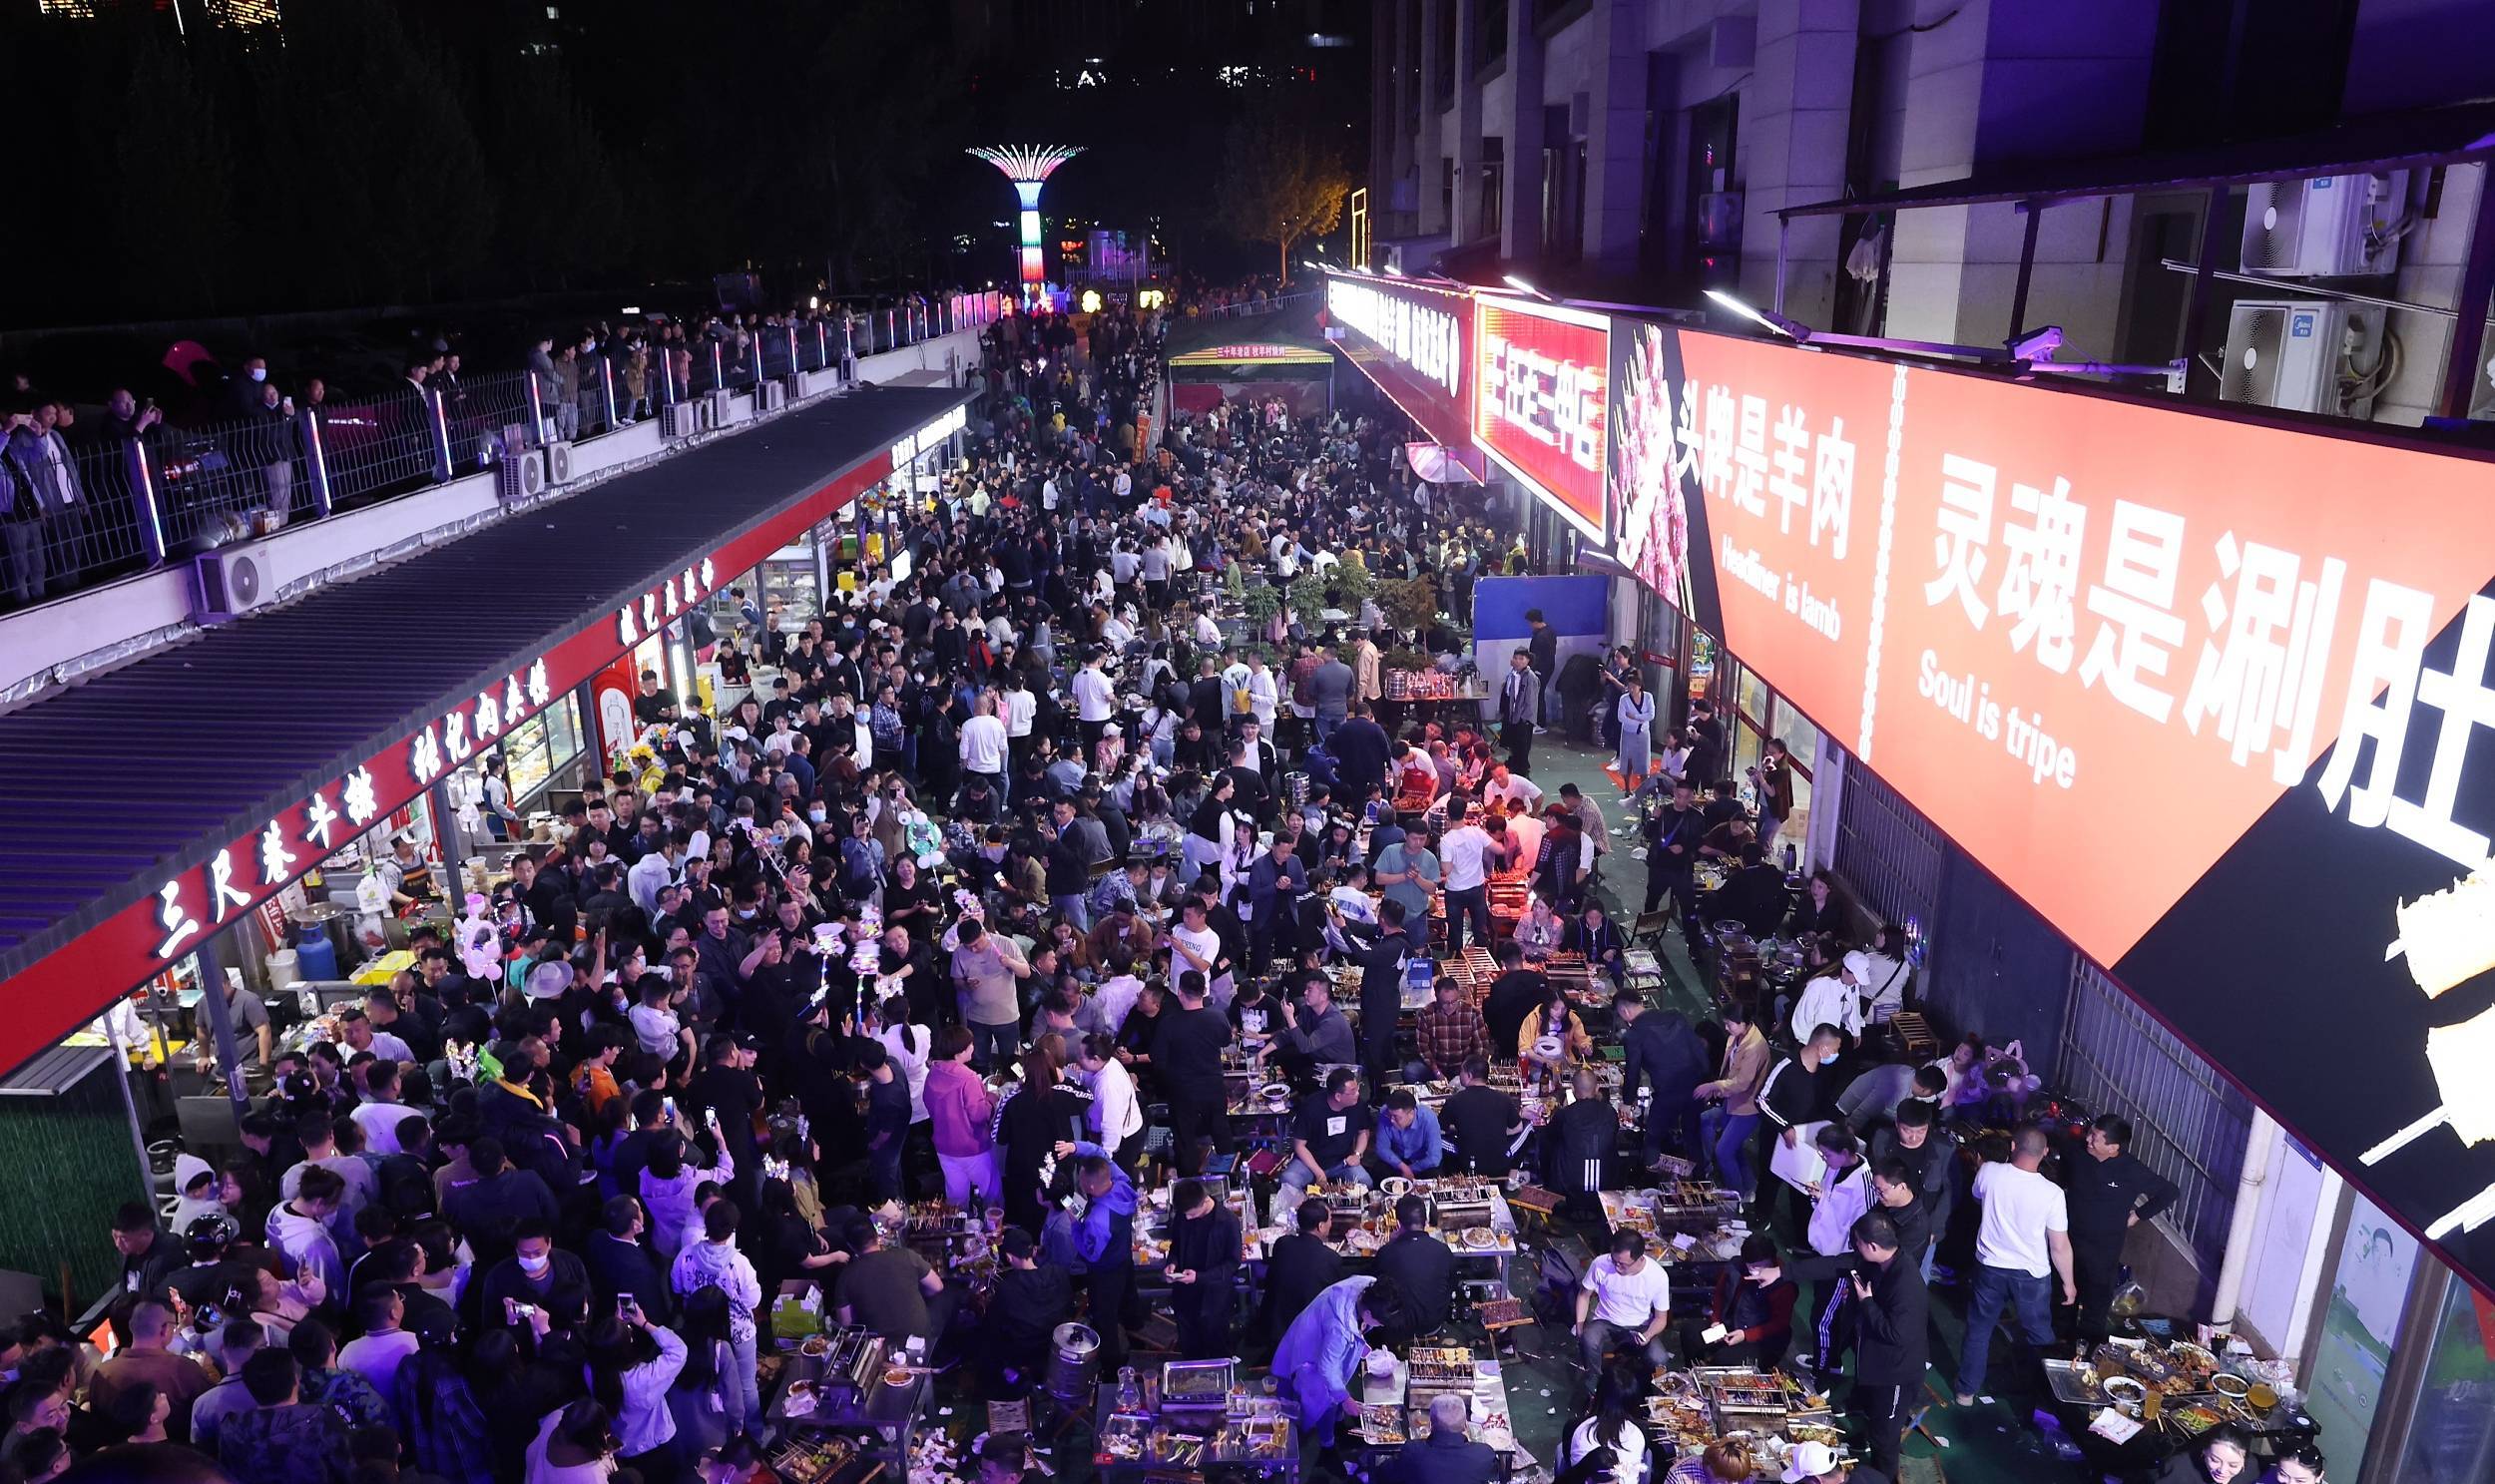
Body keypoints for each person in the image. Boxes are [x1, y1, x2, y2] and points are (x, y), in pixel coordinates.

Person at [1953, 1122, 2075, 1406]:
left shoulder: (1989, 1172)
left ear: (2012, 1146)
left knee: (1979, 1329)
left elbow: (1977, 1196)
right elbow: (2059, 1246)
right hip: (2032, 1275)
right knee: (2039, 1335)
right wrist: (2069, 1283)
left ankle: (1966, 1392)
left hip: (1990, 1267)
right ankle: (2040, 1397)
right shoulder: (2052, 1193)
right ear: (2045, 1152)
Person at [2065, 1113, 2178, 1343]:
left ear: (2113, 1147)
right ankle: (2059, 1341)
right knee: (2063, 1297)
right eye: (2090, 1133)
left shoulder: (2130, 1170)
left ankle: (2088, 1348)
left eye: (2095, 1137)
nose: (2088, 1140)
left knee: (2095, 1304)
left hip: (2103, 1251)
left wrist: (2138, 1215)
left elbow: (2169, 1192)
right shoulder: (2077, 1154)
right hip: (2069, 1242)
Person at [1270, 1274, 1407, 1448]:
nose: (1380, 1326)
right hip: (1310, 1353)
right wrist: (1345, 1399)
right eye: (1379, 1323)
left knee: (1335, 1389)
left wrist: (1359, 1343)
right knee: (1325, 1398)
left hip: (1319, 1331)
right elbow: (1327, 1368)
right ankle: (1327, 1445)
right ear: (1367, 1313)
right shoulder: (1339, 1329)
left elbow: (1354, 1330)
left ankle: (1338, 1426)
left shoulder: (1369, 1286)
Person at [1838, 1211, 1926, 1476]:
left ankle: (1883, 1478)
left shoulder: (1905, 1282)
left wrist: (1867, 1302)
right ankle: (1866, 1443)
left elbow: (1896, 1333)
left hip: (1897, 1375)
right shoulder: (1887, 1263)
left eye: (1858, 1242)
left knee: (1886, 1439)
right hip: (1880, 1366)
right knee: (1875, 1418)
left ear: (1873, 1246)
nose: (1856, 1246)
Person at [670, 1201, 764, 1437]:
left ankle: (718, 1431)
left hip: (699, 1333)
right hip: (738, 1333)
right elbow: (753, 1300)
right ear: (732, 1229)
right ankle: (756, 1435)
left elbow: (676, 1287)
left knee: (707, 1386)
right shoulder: (739, 1263)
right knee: (746, 1386)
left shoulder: (685, 1256)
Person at [1061, 1141, 1138, 1367]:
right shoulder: (1123, 1183)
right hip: (1124, 1257)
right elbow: (1101, 1153)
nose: (1080, 1183)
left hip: (1105, 1273)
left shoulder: (1098, 1220)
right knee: (1128, 1301)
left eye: (1082, 1180)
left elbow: (1090, 1254)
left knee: (1105, 1319)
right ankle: (1136, 1332)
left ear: (1091, 1187)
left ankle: (1113, 1366)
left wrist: (1075, 1224)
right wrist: (1074, 1147)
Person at [1684, 1234, 1797, 1368]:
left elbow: (1779, 1323)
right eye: (1753, 1267)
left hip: (1762, 1338)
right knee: (1690, 1333)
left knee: (1724, 1359)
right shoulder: (1735, 1267)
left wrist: (1745, 1335)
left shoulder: (1784, 1285)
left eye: (1764, 1266)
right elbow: (1720, 1294)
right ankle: (1694, 1372)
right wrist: (1716, 1321)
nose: (1759, 1272)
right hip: (1730, 1325)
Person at [985, 1228, 1073, 1397]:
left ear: (1009, 1258)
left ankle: (1007, 1375)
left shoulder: (1007, 1288)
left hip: (1023, 1351)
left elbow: (992, 1326)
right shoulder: (1058, 1274)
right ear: (1033, 1251)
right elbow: (1068, 1305)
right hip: (1055, 1344)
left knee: (986, 1339)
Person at [1163, 1177, 1242, 1359]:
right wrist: (1172, 1263)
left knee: (1217, 1345)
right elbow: (1176, 1246)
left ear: (1205, 1201)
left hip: (1214, 1297)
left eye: (1192, 1214)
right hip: (1184, 1294)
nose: (1187, 1218)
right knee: (1189, 1346)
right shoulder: (1183, 1215)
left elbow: (1232, 1263)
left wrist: (1199, 1277)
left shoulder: (1228, 1222)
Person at [1575, 1231, 1673, 1376]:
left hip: (1639, 1327)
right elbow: (1584, 1295)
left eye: (1622, 1264)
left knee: (1660, 1359)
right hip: (1605, 1322)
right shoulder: (1601, 1263)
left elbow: (1660, 1318)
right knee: (1588, 1339)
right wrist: (1579, 1327)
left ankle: (1648, 1389)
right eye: (1614, 1261)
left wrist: (1648, 1335)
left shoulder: (1657, 1277)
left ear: (1639, 1258)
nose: (1616, 1267)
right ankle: (1595, 1383)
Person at [1282, 1068, 1375, 1208]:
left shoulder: (1358, 1105)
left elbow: (1363, 1132)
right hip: (1310, 1162)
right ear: (1338, 1096)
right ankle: (1304, 1210)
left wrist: (1357, 1154)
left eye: (1358, 1088)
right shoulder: (1311, 1107)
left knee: (1366, 1182)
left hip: (1342, 1162)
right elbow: (1299, 1145)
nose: (1358, 1093)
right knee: (1288, 1180)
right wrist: (1319, 1172)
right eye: (1353, 1091)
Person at [1260, 1199, 1346, 1342]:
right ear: (1321, 1226)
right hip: (1303, 1333)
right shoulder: (1331, 1259)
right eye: (1330, 1219)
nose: (1331, 1223)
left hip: (1273, 1323)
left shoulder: (1282, 1244)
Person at [1372, 1195, 1456, 1338]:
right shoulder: (1443, 1251)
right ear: (1426, 1221)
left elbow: (1376, 1285)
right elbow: (1452, 1284)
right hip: (1433, 1324)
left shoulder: (1386, 1252)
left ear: (1398, 1225)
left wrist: (1391, 1243)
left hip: (1397, 1330)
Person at [1440, 1056, 1525, 1177]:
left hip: (1466, 1165)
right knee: (1527, 1126)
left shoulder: (1455, 1100)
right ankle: (1513, 1174)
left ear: (1469, 1075)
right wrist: (1496, 1131)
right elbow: (1518, 1128)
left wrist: (1459, 1129)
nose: (1459, 1075)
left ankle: (1447, 1175)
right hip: (1500, 1165)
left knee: (1436, 1138)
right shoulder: (1503, 1098)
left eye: (1461, 1071)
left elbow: (1440, 1130)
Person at [1396, 1393, 1500, 1484]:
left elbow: (1386, 1476)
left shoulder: (1412, 1452)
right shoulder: (1484, 1455)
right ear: (1465, 1425)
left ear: (1430, 1425)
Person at [2153, 1424, 2251, 1483]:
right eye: (2215, 1460)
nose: (2222, 1470)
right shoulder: (2179, 1469)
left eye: (2233, 1465)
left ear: (2244, 1461)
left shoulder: (2253, 1470)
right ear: (2204, 1450)